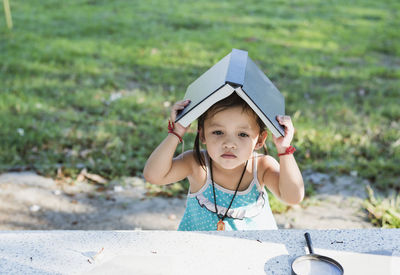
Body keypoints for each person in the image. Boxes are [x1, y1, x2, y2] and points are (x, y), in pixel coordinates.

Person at [143, 93, 304, 231]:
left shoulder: (262, 166)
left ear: (260, 140)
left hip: (252, 253)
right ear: (202, 135)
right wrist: (176, 132)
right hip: (200, 253)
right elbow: (154, 176)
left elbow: (293, 196)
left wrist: (284, 149)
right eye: (218, 132)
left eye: (242, 134)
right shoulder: (197, 164)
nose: (229, 143)